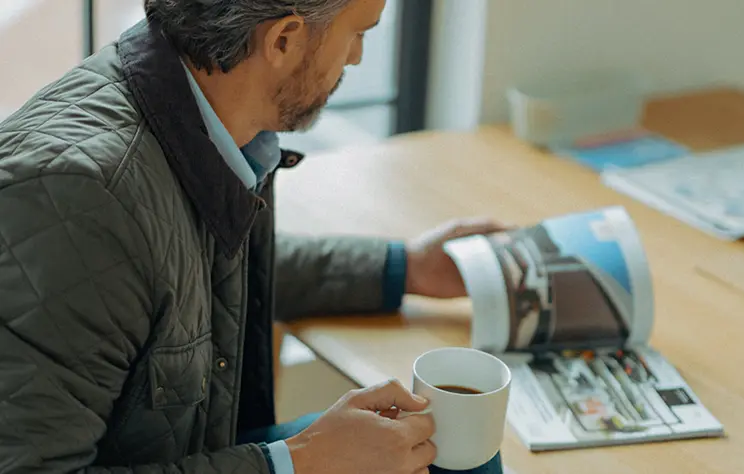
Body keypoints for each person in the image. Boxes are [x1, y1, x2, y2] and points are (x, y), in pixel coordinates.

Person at [0, 1, 507, 473]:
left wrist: (406, 268)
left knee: (456, 442)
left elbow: (181, 276)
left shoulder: (198, 114)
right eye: (358, 33)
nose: (356, 57)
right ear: (284, 39)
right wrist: (300, 462)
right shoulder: (81, 200)